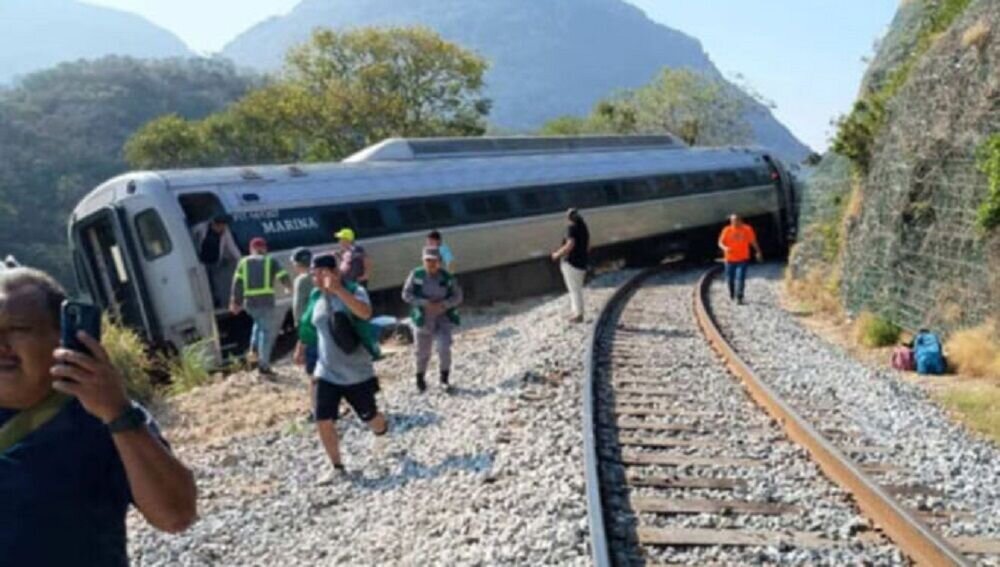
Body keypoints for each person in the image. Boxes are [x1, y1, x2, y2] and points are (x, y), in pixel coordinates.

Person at [0, 268, 196, 565]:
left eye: (17, 328)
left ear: (63, 338)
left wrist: (118, 414)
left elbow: (176, 515)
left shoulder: (102, 416)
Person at [302, 254, 388, 479]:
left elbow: (365, 313)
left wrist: (338, 290)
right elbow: (310, 324)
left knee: (370, 418)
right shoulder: (315, 297)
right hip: (325, 371)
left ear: (335, 272)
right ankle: (337, 467)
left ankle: (382, 432)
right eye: (313, 275)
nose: (316, 279)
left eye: (320, 273)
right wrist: (301, 346)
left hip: (356, 372)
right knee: (322, 418)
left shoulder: (354, 290)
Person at [402, 247, 463, 393]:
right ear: (423, 261)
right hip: (423, 318)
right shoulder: (416, 275)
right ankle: (420, 379)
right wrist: (424, 303)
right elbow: (406, 294)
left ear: (440, 262)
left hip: (443, 318)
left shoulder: (447, 277)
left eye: (434, 261)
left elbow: (458, 296)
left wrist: (444, 304)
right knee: (422, 352)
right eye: (427, 260)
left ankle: (444, 379)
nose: (431, 264)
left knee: (444, 348)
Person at [230, 237, 292, 376]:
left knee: (258, 324)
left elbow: (237, 283)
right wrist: (288, 287)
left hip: (250, 303)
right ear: (264, 248)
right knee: (266, 333)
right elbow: (283, 275)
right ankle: (264, 365)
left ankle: (253, 349)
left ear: (251, 249)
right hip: (266, 302)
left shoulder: (243, 262)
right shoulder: (271, 261)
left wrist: (236, 302)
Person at [191, 214, 242, 308]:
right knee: (205, 283)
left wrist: (240, 260)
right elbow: (191, 236)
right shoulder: (201, 228)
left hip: (215, 262)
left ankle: (218, 302)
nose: (222, 228)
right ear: (214, 224)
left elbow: (232, 246)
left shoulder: (225, 232)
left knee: (216, 284)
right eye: (220, 226)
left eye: (224, 225)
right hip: (202, 262)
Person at [551, 208, 590, 323]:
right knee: (576, 289)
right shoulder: (584, 228)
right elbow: (588, 246)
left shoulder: (571, 228)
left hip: (571, 263)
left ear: (569, 218)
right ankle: (576, 312)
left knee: (574, 290)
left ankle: (578, 315)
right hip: (582, 263)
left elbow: (570, 244)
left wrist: (557, 254)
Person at [718, 214, 763, 305]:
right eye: (732, 221)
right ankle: (732, 294)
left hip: (742, 258)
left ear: (740, 221)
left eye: (736, 220)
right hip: (729, 259)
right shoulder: (726, 230)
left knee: (740, 278)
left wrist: (758, 251)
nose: (734, 223)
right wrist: (725, 248)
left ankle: (739, 297)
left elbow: (753, 241)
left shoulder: (747, 229)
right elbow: (720, 243)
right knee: (730, 279)